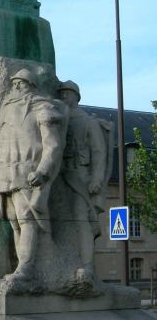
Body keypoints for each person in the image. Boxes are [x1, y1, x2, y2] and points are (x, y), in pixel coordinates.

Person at [0, 67, 68, 282]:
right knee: (13, 220)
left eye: (21, 83)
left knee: (27, 219)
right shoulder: (7, 108)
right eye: (14, 83)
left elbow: (53, 145)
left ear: (32, 86)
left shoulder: (43, 106)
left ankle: (26, 267)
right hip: (5, 171)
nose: (16, 87)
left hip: (28, 171)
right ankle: (21, 265)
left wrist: (43, 170)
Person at [59, 80, 109, 284]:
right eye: (61, 93)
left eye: (67, 93)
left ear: (76, 97)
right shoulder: (59, 118)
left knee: (82, 222)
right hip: (60, 176)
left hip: (80, 178)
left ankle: (87, 265)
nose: (63, 96)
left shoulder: (88, 122)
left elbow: (99, 153)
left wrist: (96, 180)